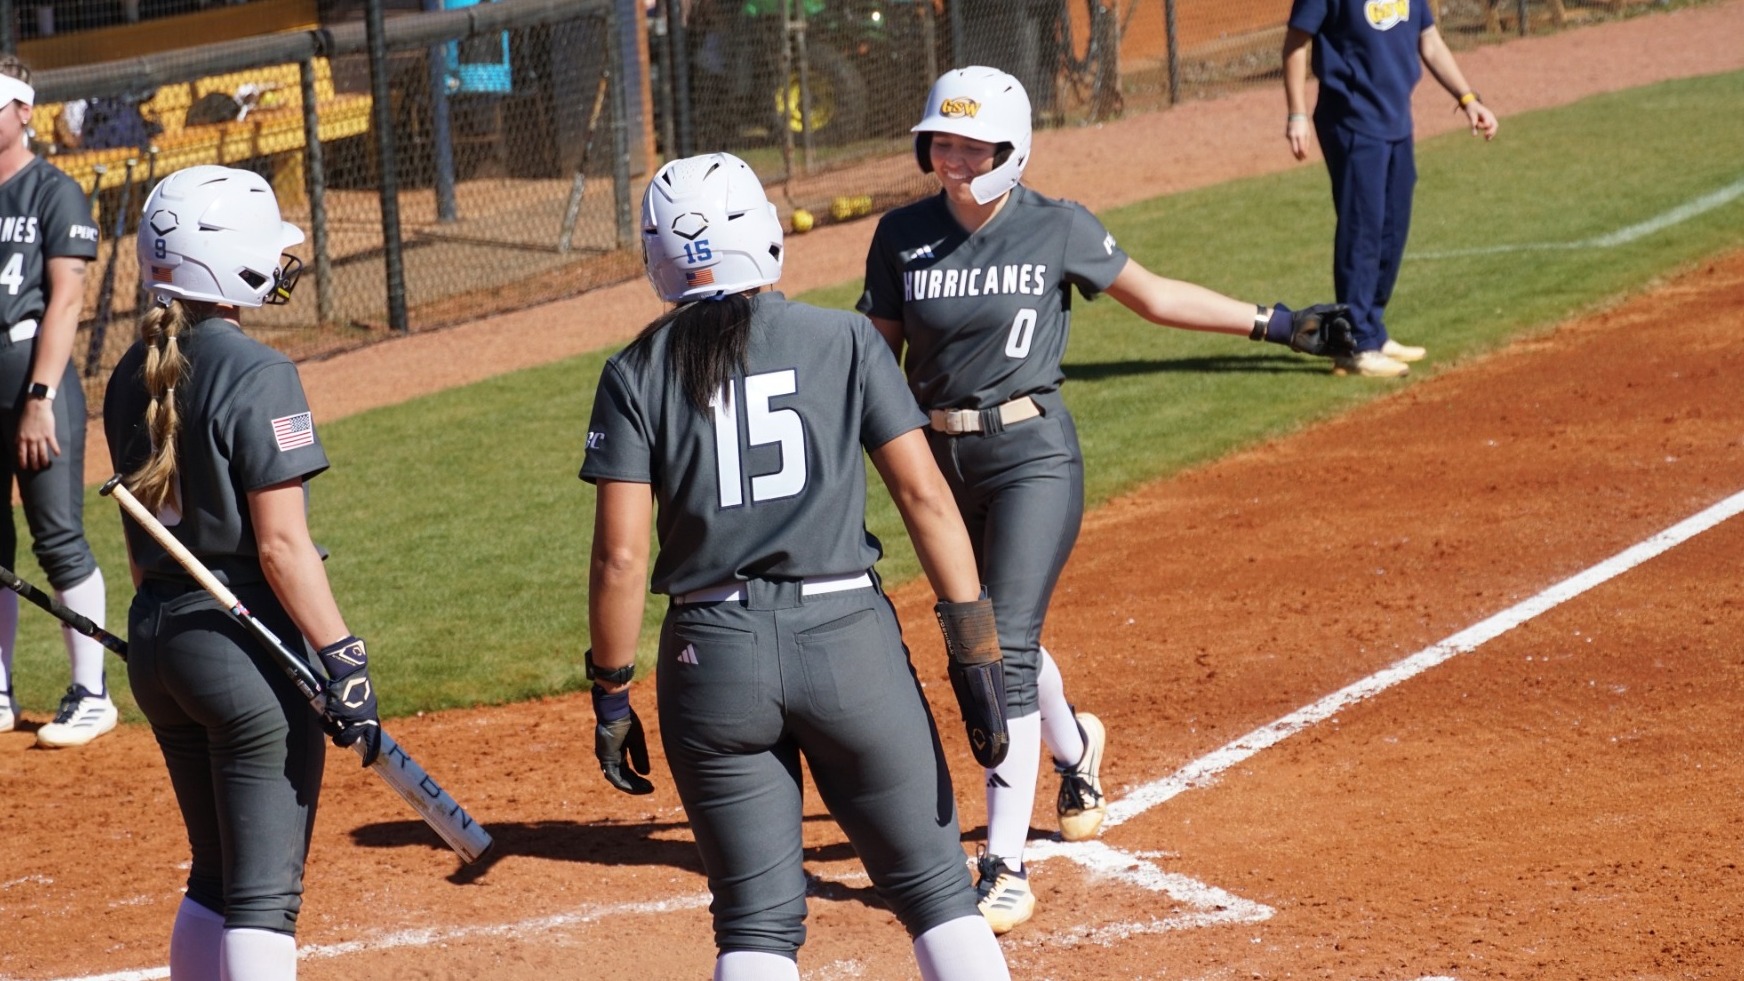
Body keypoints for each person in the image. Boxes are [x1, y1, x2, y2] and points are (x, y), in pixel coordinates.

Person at [858, 66, 1348, 934]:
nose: (954, 162)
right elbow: (872, 358)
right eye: (942, 143)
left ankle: (1002, 863)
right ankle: (1077, 750)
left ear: (1013, 153)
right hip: (939, 467)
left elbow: (1153, 297)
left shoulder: (1057, 226)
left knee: (998, 646)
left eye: (973, 147)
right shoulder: (902, 236)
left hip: (1032, 457)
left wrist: (1277, 321)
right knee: (989, 634)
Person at [582, 151, 1011, 981]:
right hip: (846, 639)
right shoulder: (844, 337)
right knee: (933, 890)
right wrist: (975, 650)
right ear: (766, 236)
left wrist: (611, 689)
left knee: (754, 924)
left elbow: (622, 555)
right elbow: (925, 498)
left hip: (711, 658)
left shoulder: (633, 371)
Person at [102, 165, 381, 981]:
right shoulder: (260, 372)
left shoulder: (129, 372)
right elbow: (281, 548)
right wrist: (344, 657)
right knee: (264, 897)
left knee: (214, 877)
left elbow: (138, 538)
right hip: (245, 652)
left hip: (159, 640)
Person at [1283, 0, 1499, 378]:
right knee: (1362, 230)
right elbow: (1296, 43)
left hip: (1395, 119)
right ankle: (1353, 345)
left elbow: (1429, 39)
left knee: (1392, 227)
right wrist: (1297, 113)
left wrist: (1467, 98)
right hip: (1350, 118)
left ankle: (1373, 330)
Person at [0, 55, 114, 749]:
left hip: (31, 379)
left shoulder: (53, 191)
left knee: (57, 537)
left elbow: (66, 299)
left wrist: (40, 396)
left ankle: (92, 691)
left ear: (23, 111)